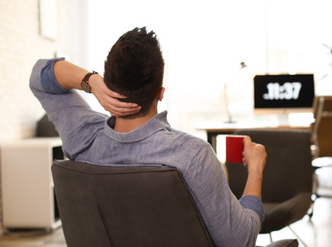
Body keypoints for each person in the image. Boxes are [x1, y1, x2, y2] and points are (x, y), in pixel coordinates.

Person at [30, 27, 267, 247]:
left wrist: (90, 81)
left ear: (108, 85)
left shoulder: (82, 137)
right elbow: (239, 242)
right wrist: (255, 169)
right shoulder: (193, 156)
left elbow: (39, 78)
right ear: (160, 93)